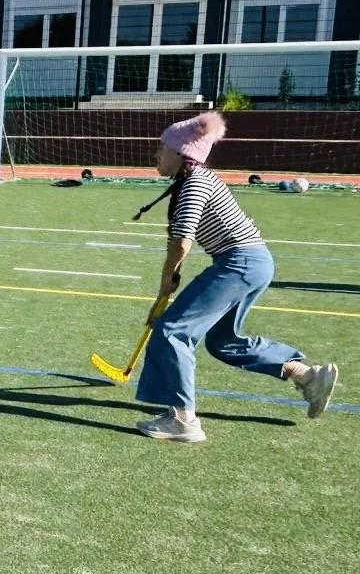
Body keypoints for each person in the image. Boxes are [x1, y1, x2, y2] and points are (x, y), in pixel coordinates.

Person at [132, 112, 338, 443]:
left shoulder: (195, 183)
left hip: (240, 263)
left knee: (171, 332)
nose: (156, 154)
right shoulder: (195, 179)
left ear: (182, 154)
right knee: (222, 342)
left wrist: (166, 283)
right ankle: (307, 376)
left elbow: (182, 241)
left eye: (162, 147)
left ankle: (183, 420)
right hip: (254, 262)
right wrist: (169, 283)